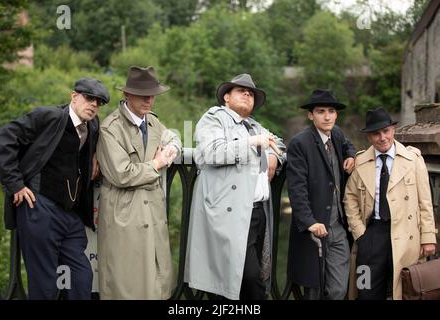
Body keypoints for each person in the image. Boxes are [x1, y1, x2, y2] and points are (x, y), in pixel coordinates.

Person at [0, 77, 110, 299]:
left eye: (99, 102)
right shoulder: (50, 116)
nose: (94, 105)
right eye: (89, 98)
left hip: (71, 215)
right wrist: (15, 184)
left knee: (82, 276)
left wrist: (95, 156)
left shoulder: (93, 125)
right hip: (39, 208)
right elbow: (4, 138)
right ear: (74, 96)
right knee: (44, 284)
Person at [184, 73, 286, 300]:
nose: (248, 95)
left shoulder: (253, 125)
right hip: (229, 213)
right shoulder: (214, 118)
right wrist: (251, 143)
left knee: (249, 277)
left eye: (251, 94)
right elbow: (211, 152)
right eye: (242, 91)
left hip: (257, 212)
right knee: (248, 279)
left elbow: (279, 143)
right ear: (227, 98)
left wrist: (274, 157)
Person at [96, 66, 181, 299]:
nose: (149, 99)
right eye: (143, 95)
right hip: (125, 212)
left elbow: (171, 135)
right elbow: (121, 174)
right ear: (126, 95)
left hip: (151, 209)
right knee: (126, 283)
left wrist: (173, 146)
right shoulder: (110, 128)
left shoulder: (152, 122)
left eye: (152, 94)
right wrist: (156, 164)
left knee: (157, 280)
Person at [344, 107, 437, 300]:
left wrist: (428, 236)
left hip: (407, 236)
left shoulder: (413, 159)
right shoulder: (360, 162)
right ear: (369, 136)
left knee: (406, 291)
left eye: (386, 131)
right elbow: (350, 198)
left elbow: (425, 200)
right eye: (376, 133)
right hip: (370, 237)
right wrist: (360, 234)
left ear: (393, 130)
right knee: (365, 289)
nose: (382, 137)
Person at [286, 89, 356, 300]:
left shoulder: (336, 134)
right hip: (315, 227)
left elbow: (348, 144)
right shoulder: (300, 143)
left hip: (338, 226)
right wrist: (309, 222)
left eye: (331, 111)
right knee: (313, 291)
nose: (327, 116)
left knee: (337, 290)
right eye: (321, 111)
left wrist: (351, 155)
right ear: (311, 115)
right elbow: (296, 188)